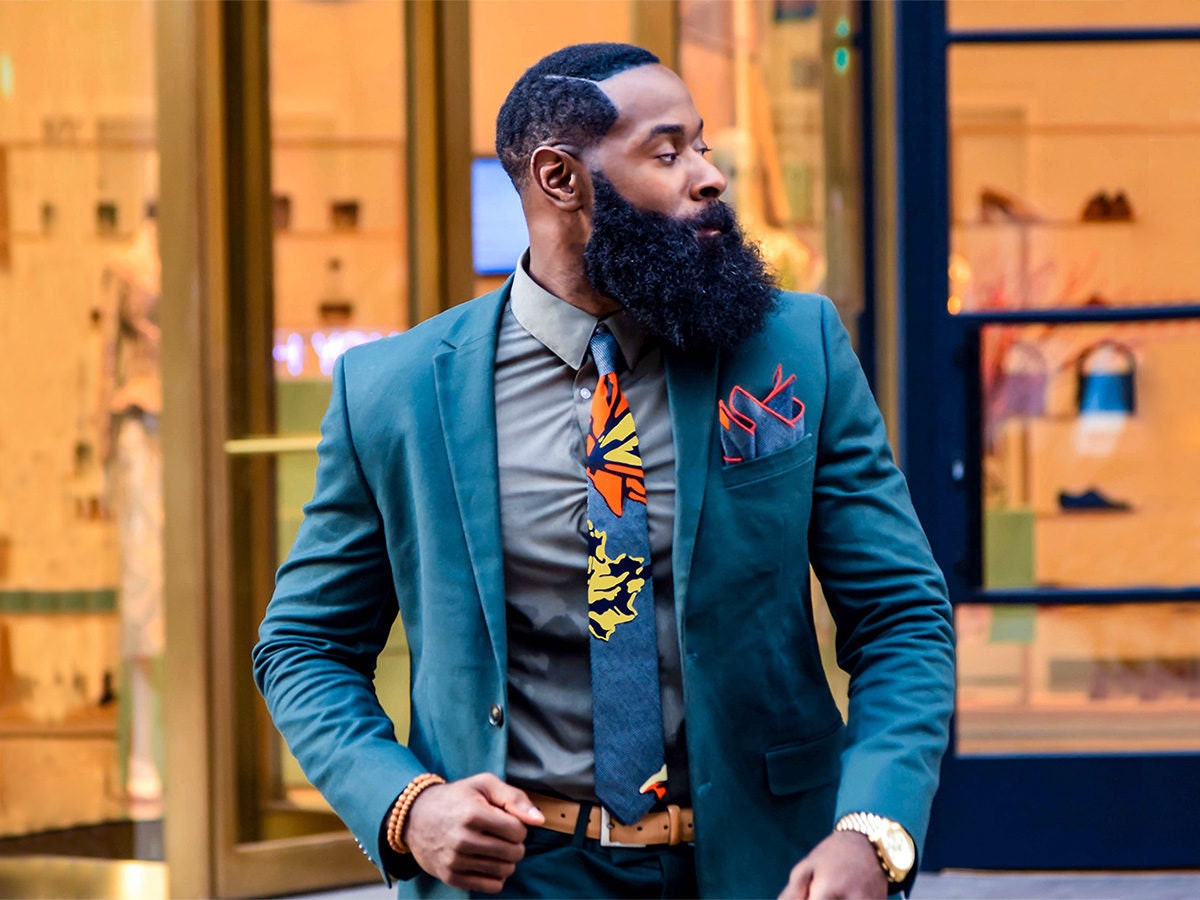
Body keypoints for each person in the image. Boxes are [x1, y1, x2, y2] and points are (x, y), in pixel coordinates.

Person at [254, 43, 954, 900]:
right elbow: (305, 646)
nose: (708, 177)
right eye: (667, 153)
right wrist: (408, 808)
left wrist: (872, 829)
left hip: (765, 867)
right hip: (518, 877)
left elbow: (901, 613)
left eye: (701, 145)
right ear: (560, 180)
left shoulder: (794, 347)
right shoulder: (393, 391)